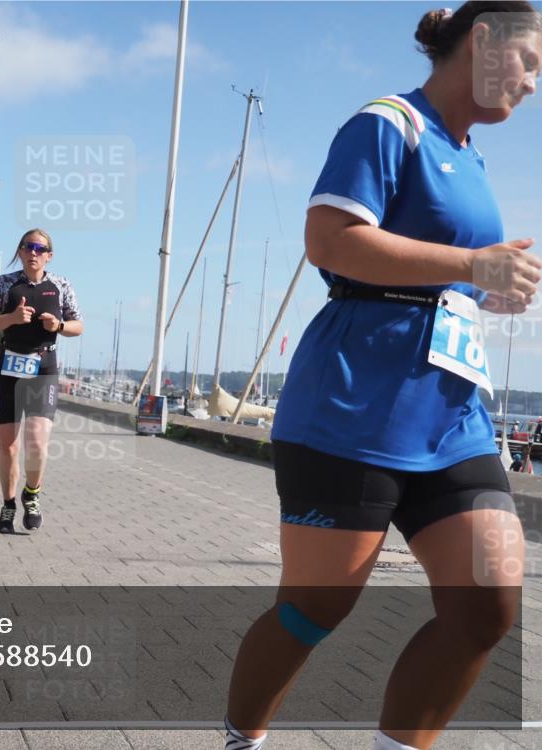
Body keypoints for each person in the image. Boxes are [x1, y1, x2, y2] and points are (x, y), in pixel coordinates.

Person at [224, 5, 542, 750]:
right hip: (352, 403)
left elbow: (439, 272)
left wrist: (483, 289)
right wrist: (470, 265)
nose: (534, 83)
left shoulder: (472, 155)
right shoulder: (388, 122)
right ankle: (243, 737)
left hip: (450, 411)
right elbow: (329, 241)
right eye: (529, 61)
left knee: (487, 604)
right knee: (314, 608)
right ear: (483, 40)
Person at [0, 229, 83, 532]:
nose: (33, 252)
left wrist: (59, 325)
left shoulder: (60, 285)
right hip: (8, 366)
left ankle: (31, 495)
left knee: (36, 443)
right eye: (27, 247)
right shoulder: (5, 284)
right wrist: (10, 318)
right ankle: (8, 505)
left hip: (42, 366)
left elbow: (78, 325)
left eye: (39, 248)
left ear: (49, 255)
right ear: (20, 252)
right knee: (8, 447)